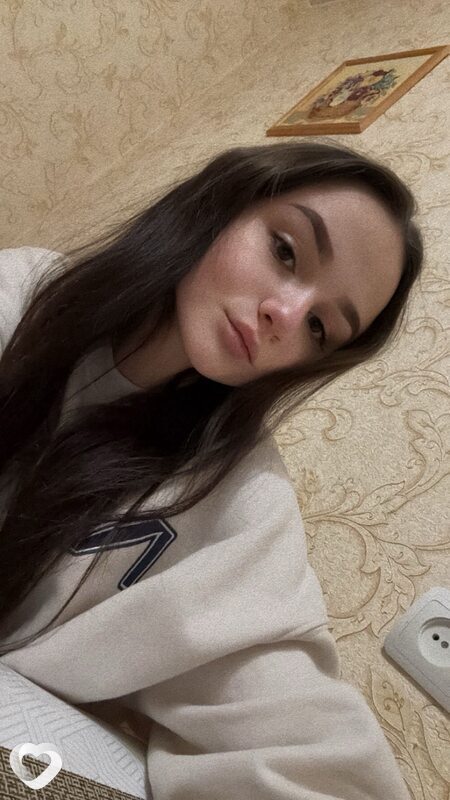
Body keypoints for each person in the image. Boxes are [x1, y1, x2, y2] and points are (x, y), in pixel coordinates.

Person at [0, 141, 423, 799]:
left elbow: (297, 739)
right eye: (286, 251)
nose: (285, 315)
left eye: (320, 327)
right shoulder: (24, 294)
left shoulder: (240, 499)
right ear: (220, 203)